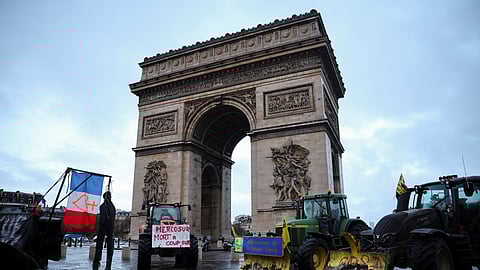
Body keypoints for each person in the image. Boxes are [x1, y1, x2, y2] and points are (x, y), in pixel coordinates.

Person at [93, 191, 116, 270]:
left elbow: (104, 217)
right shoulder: (109, 206)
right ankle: (104, 262)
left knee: (102, 245)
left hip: (105, 227)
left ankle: (101, 262)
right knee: (103, 246)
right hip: (107, 227)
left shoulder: (106, 206)